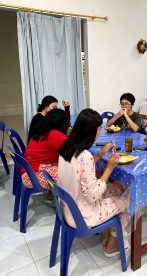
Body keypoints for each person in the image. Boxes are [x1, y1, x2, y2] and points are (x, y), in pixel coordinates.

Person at [58, 108, 130, 257]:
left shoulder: (67, 147)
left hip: (67, 209)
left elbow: (81, 169)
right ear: (91, 131)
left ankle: (106, 236)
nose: (100, 132)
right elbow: (92, 196)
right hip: (83, 215)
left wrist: (100, 154)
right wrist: (109, 168)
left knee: (116, 189)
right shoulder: (85, 156)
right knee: (129, 199)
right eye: (99, 129)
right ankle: (112, 245)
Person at [21, 109, 70, 190]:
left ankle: (53, 195)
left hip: (28, 172)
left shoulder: (42, 131)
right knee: (74, 172)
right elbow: (72, 149)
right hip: (33, 177)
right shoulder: (54, 134)